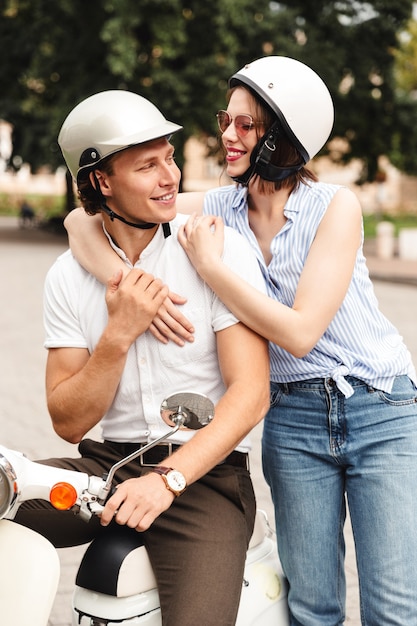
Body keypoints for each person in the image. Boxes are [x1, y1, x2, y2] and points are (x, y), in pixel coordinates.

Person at [65, 57, 417, 625]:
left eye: (246, 126)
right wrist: (133, 290)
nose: (226, 135)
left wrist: (212, 268)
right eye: (225, 120)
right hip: (294, 417)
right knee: (312, 604)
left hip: (380, 409)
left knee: (393, 608)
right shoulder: (221, 207)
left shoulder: (336, 207)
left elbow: (301, 332)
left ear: (283, 136)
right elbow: (83, 221)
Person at [14, 89, 271, 626]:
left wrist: (167, 479)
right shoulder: (68, 275)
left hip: (203, 480)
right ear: (101, 183)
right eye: (147, 165)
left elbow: (251, 394)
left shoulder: (215, 250)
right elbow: (68, 420)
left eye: (170, 157)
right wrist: (119, 333)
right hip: (107, 468)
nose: (170, 176)